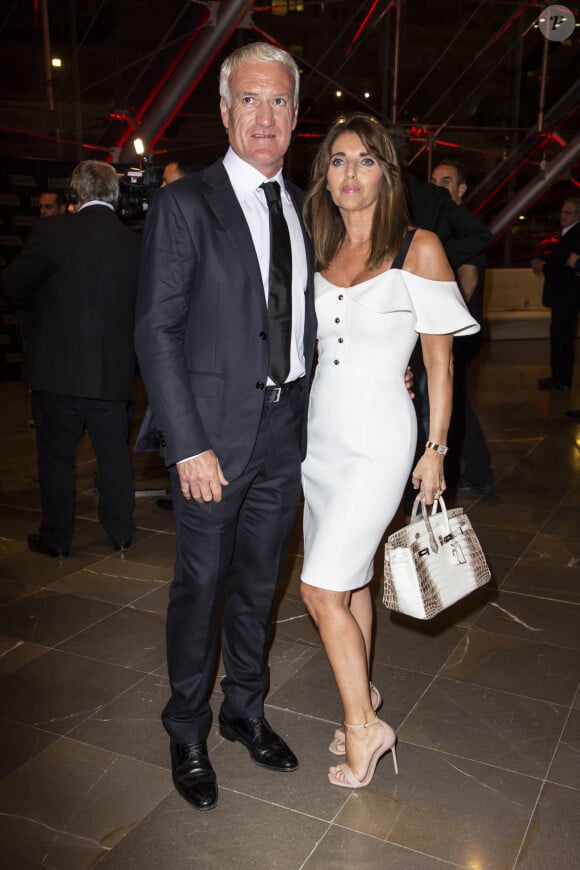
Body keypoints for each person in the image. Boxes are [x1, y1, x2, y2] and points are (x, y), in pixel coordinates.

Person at [134, 42, 317, 812]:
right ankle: (187, 729)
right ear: (223, 111)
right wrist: (188, 443)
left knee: (257, 588)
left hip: (286, 433)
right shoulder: (186, 204)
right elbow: (156, 330)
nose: (265, 115)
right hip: (212, 439)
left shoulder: (305, 204)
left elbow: (315, 320)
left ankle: (244, 709)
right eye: (250, 99)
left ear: (296, 114)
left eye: (278, 101)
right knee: (200, 589)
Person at [299, 113, 479, 790]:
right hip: (321, 438)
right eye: (339, 161)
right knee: (351, 582)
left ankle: (364, 731)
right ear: (326, 174)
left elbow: (442, 364)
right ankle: (362, 694)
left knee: (319, 589)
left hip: (380, 437)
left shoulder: (419, 248)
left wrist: (436, 449)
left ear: (387, 172)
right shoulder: (319, 247)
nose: (350, 174)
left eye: (366, 161)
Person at [0, 161, 140, 558]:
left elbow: (12, 286)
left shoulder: (52, 231)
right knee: (114, 456)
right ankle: (122, 533)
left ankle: (57, 539)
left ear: (76, 193)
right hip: (112, 372)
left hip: (56, 371)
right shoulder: (134, 243)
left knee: (56, 459)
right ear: (114, 192)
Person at [431, 160, 494, 495]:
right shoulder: (445, 225)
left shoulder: (461, 228)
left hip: (459, 334)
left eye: (447, 181)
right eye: (434, 180)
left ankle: (479, 472)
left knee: (456, 404)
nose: (439, 186)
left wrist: (447, 322)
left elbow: (467, 281)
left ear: (461, 189)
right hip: (455, 333)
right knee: (455, 402)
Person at [532, 197, 580, 391]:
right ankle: (559, 377)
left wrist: (545, 266)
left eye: (568, 213)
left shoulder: (576, 235)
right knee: (559, 337)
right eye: (562, 212)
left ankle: (562, 379)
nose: (562, 216)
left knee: (562, 338)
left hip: (567, 296)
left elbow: (568, 267)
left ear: (578, 215)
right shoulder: (566, 233)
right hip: (562, 295)